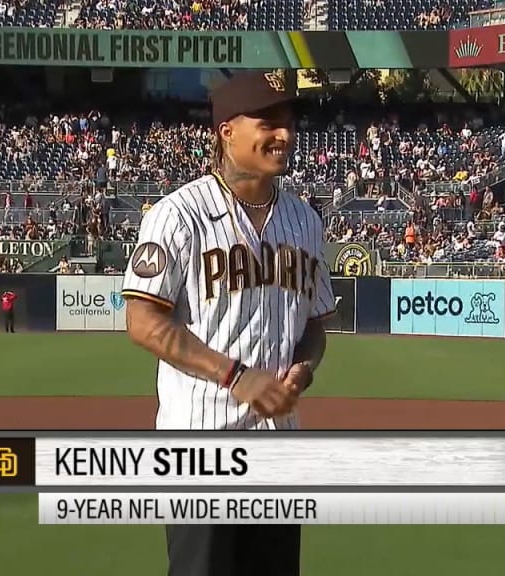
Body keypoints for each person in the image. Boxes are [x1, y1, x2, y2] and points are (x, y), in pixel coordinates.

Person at [120, 71, 336, 576]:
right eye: (268, 122)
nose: (283, 134)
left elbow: (315, 326)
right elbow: (142, 320)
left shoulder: (305, 220)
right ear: (226, 132)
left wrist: (303, 369)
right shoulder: (179, 214)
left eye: (288, 122)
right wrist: (236, 375)